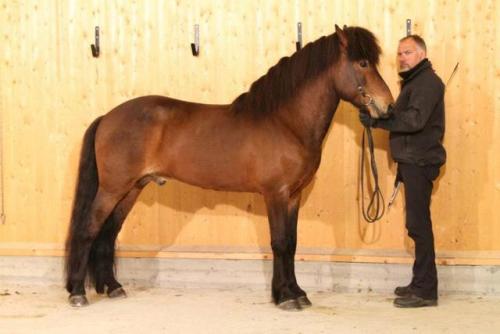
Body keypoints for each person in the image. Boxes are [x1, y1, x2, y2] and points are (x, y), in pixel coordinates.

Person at [359, 35, 446, 308]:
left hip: (419, 162)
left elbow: (415, 120)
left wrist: (380, 122)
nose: (402, 57)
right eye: (399, 53)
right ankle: (419, 283)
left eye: (407, 52)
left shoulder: (428, 82)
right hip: (412, 161)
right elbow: (404, 115)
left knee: (419, 225)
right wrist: (377, 114)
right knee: (416, 225)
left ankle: (426, 290)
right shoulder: (416, 82)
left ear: (421, 54)